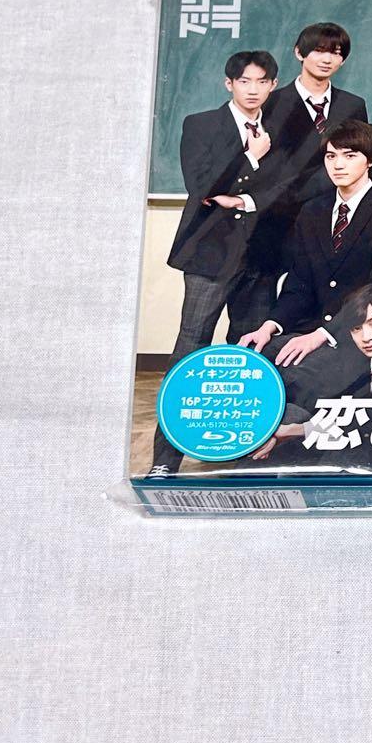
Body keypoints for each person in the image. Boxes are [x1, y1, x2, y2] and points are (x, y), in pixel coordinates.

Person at [149, 49, 281, 476]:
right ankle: (165, 460)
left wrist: (240, 199)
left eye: (261, 82)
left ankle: (237, 457)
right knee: (191, 346)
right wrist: (251, 158)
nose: (253, 89)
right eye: (244, 81)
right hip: (210, 255)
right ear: (229, 83)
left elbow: (285, 187)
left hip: (260, 257)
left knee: (250, 355)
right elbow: (201, 184)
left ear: (273, 86)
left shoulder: (279, 128)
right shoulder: (201, 123)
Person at [237, 120, 372, 407]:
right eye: (331, 156)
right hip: (308, 328)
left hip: (358, 337)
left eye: (350, 156)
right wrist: (269, 326)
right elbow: (299, 283)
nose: (338, 165)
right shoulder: (313, 210)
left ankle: (295, 432)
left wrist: (322, 335)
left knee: (291, 381)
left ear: (371, 160)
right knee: (249, 367)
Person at [251, 283, 372, 472]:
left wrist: (298, 430)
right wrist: (283, 434)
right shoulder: (355, 363)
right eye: (357, 328)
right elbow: (333, 412)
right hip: (355, 447)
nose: (366, 337)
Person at [252, 22, 368, 276]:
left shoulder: (353, 105)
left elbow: (358, 160)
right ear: (299, 52)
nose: (327, 59)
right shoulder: (269, 103)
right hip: (278, 223)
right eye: (318, 50)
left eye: (336, 53)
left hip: (333, 222)